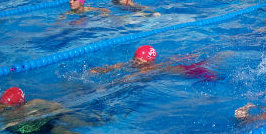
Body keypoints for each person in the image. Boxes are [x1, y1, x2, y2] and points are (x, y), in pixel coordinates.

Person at [0, 87, 88, 134]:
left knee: (73, 129)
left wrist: (43, 114)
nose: (1, 108)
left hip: (44, 124)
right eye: (0, 105)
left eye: (5, 106)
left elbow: (58, 107)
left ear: (19, 104)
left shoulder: (35, 103)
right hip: (26, 131)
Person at [90, 45, 218, 82]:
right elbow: (118, 65)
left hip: (190, 71)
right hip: (179, 65)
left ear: (148, 62)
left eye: (138, 61)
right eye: (134, 59)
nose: (134, 62)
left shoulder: (148, 69)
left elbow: (128, 79)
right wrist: (101, 70)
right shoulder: (136, 62)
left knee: (208, 69)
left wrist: (107, 86)